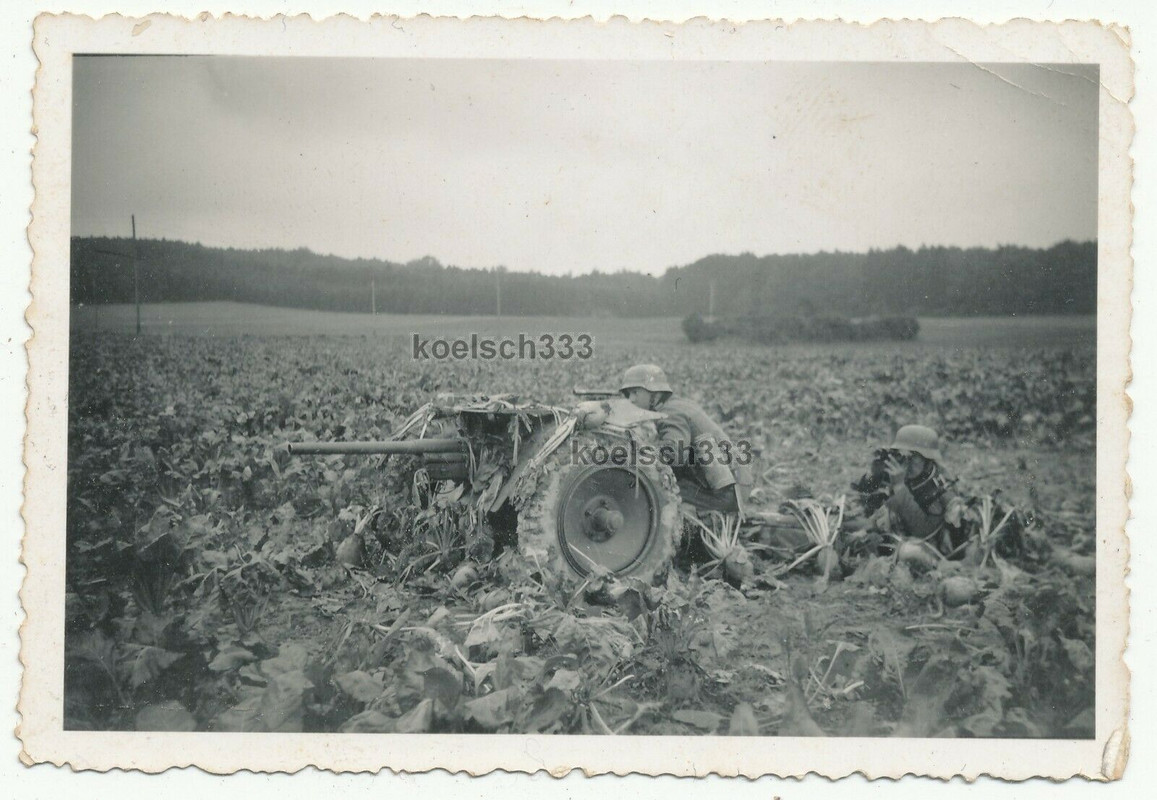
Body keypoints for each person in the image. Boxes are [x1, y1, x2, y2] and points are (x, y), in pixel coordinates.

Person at [619, 363, 753, 514]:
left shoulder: (671, 412)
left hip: (727, 493)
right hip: (733, 484)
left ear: (654, 393)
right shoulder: (677, 404)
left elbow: (674, 454)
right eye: (628, 394)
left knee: (654, 491)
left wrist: (635, 453)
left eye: (635, 392)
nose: (631, 399)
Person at [851, 424, 965, 555]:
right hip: (895, 538)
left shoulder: (940, 485)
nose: (907, 463)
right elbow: (865, 498)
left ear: (927, 459)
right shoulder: (906, 474)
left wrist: (899, 487)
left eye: (913, 457)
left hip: (929, 550)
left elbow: (923, 531)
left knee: (908, 552)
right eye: (902, 455)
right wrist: (876, 473)